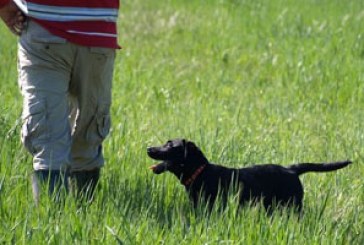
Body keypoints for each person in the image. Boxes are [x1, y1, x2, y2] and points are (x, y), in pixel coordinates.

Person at [0, 0, 120, 203]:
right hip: (96, 29)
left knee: (48, 132)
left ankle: (58, 220)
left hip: (45, 27)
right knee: (88, 131)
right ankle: (79, 217)